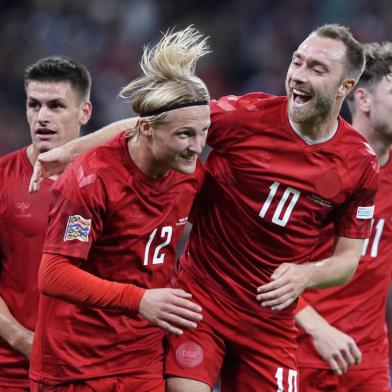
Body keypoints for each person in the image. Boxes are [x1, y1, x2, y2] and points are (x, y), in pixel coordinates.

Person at [28, 24, 379, 391]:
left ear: (346, 87)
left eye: (317, 69)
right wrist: (69, 152)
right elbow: (165, 119)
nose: (299, 76)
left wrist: (307, 275)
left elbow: (347, 261)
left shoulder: (360, 164)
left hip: (269, 323)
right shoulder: (246, 116)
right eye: (297, 62)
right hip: (199, 306)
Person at [29, 27, 210, 392]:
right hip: (76, 367)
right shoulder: (91, 181)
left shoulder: (189, 168)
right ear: (146, 129)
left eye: (203, 132)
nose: (198, 146)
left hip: (140, 362)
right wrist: (139, 299)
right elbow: (53, 275)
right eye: (185, 136)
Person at [295, 42, 392, 392]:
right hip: (300, 350)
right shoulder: (315, 167)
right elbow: (259, 262)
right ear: (363, 100)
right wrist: (318, 329)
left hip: (367, 360)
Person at [0, 56, 92, 391]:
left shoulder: (110, 178)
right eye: (33, 105)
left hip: (92, 370)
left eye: (55, 106)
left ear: (85, 112)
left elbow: (145, 125)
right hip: (13, 372)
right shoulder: (2, 179)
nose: (42, 117)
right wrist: (24, 340)